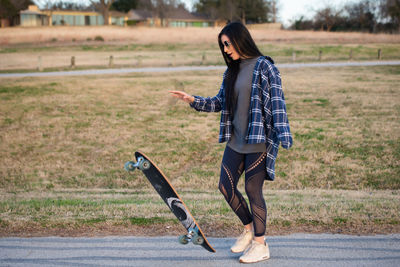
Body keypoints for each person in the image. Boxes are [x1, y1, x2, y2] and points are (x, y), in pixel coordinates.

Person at [169, 21, 292, 264]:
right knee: (225, 187)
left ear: (240, 39)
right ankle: (249, 228)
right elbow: (219, 102)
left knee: (252, 190)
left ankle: (260, 243)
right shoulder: (231, 71)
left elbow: (278, 102)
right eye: (222, 45)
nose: (225, 49)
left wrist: (283, 134)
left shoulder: (264, 67)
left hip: (259, 141)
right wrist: (193, 100)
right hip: (236, 141)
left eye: (227, 44)